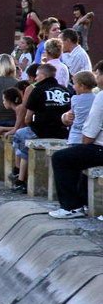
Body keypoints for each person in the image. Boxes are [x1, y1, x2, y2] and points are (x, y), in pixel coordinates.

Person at [7, 63, 71, 193]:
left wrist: (33, 124)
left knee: (20, 135)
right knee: (24, 139)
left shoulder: (37, 90)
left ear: (43, 75)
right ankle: (19, 176)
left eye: (37, 75)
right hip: (63, 132)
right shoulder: (65, 90)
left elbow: (27, 118)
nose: (35, 78)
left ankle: (18, 174)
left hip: (41, 131)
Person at [50, 62, 103, 218]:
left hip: (99, 148)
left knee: (61, 158)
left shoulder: (101, 96)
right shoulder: (96, 95)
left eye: (98, 74)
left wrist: (85, 142)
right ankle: (83, 201)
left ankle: (71, 207)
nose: (96, 78)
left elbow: (90, 133)